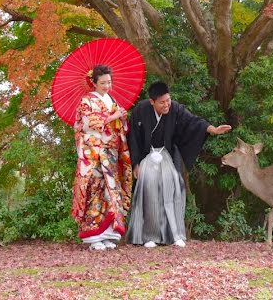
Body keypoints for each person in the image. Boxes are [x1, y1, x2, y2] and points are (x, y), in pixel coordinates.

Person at [126, 81, 232, 247]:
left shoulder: (174, 108)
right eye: (162, 102)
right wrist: (136, 163)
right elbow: (133, 138)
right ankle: (149, 236)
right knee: (149, 191)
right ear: (152, 101)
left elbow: (193, 121)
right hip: (147, 157)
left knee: (174, 188)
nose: (166, 104)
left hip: (166, 155)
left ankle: (175, 234)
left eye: (168, 100)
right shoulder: (140, 110)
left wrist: (213, 129)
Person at [71, 64, 133, 251]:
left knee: (111, 193)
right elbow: (87, 124)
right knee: (95, 190)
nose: (107, 86)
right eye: (103, 83)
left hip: (111, 152)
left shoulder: (111, 99)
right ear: (94, 83)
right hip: (95, 153)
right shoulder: (87, 101)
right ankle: (94, 236)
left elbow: (118, 126)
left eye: (109, 82)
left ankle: (108, 235)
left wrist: (121, 119)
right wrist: (113, 116)